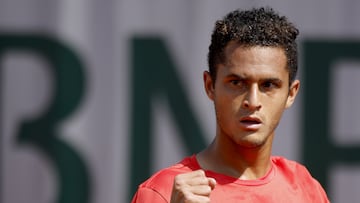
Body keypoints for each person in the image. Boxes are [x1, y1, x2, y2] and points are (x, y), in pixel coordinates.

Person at [131, 7, 330, 203]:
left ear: (291, 93)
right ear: (210, 86)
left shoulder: (306, 189)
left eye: (268, 85)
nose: (252, 102)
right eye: (236, 83)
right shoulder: (161, 193)